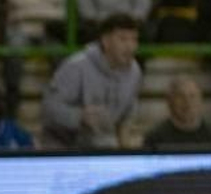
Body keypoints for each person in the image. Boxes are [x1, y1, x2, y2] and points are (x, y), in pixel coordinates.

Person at [41, 13, 142, 148]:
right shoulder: (76, 67)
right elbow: (49, 108)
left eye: (134, 40)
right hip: (63, 146)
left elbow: (127, 116)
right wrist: (80, 117)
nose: (130, 46)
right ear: (105, 41)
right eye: (123, 39)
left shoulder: (135, 72)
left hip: (103, 144)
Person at [143, 74, 211, 148]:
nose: (187, 102)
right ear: (170, 102)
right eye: (180, 97)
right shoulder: (155, 137)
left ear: (201, 100)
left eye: (192, 96)